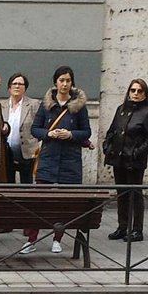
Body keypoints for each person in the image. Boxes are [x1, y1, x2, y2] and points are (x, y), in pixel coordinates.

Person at [25, 66, 91, 256]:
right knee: (39, 201)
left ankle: (57, 239)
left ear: (72, 83)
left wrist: (70, 134)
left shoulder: (79, 106)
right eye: (61, 80)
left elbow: (86, 132)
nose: (64, 84)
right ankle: (31, 240)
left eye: (68, 80)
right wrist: (49, 133)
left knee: (63, 203)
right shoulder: (46, 105)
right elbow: (35, 129)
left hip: (70, 161)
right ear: (55, 82)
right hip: (48, 159)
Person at [102, 78, 148, 242]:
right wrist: (107, 146)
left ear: (145, 94)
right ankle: (122, 226)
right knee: (121, 194)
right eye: (133, 90)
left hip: (134, 161)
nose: (135, 93)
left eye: (139, 91)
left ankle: (137, 229)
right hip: (118, 158)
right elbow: (112, 130)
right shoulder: (121, 109)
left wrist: (136, 153)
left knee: (135, 194)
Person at [3, 73, 41, 185]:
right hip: (7, 153)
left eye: (20, 84)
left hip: (27, 152)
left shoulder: (34, 104)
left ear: (25, 88)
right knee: (7, 183)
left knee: (26, 184)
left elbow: (40, 125)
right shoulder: (1, 105)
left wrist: (36, 144)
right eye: (14, 83)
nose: (17, 86)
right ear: (9, 88)